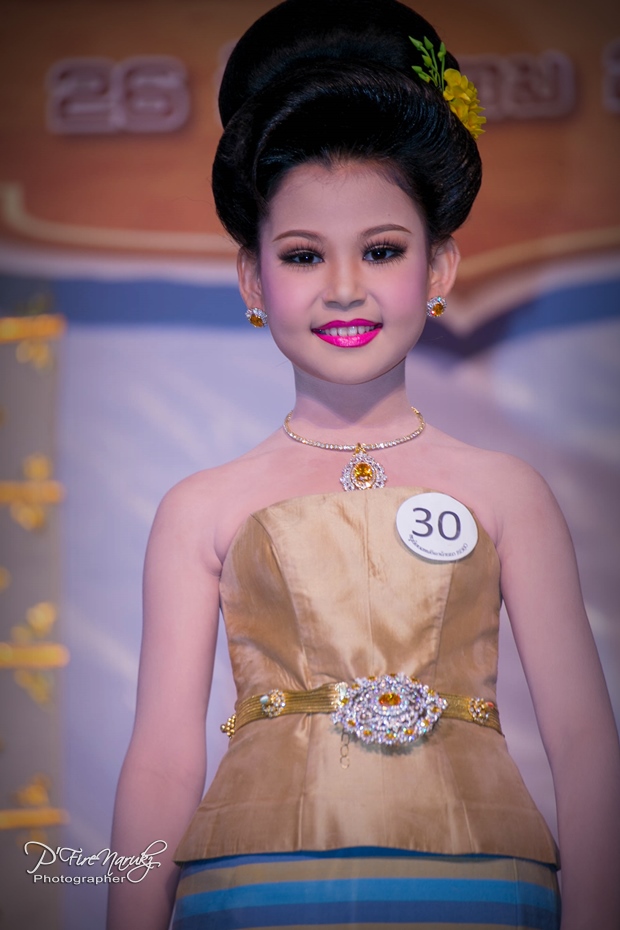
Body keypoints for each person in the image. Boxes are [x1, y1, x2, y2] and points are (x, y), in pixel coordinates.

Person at [107, 1, 620, 928]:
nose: (344, 288)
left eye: (382, 250)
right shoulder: (202, 508)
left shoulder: (509, 493)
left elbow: (585, 740)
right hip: (252, 890)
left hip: (485, 885)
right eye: (304, 255)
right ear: (254, 279)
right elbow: (161, 762)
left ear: (439, 268)